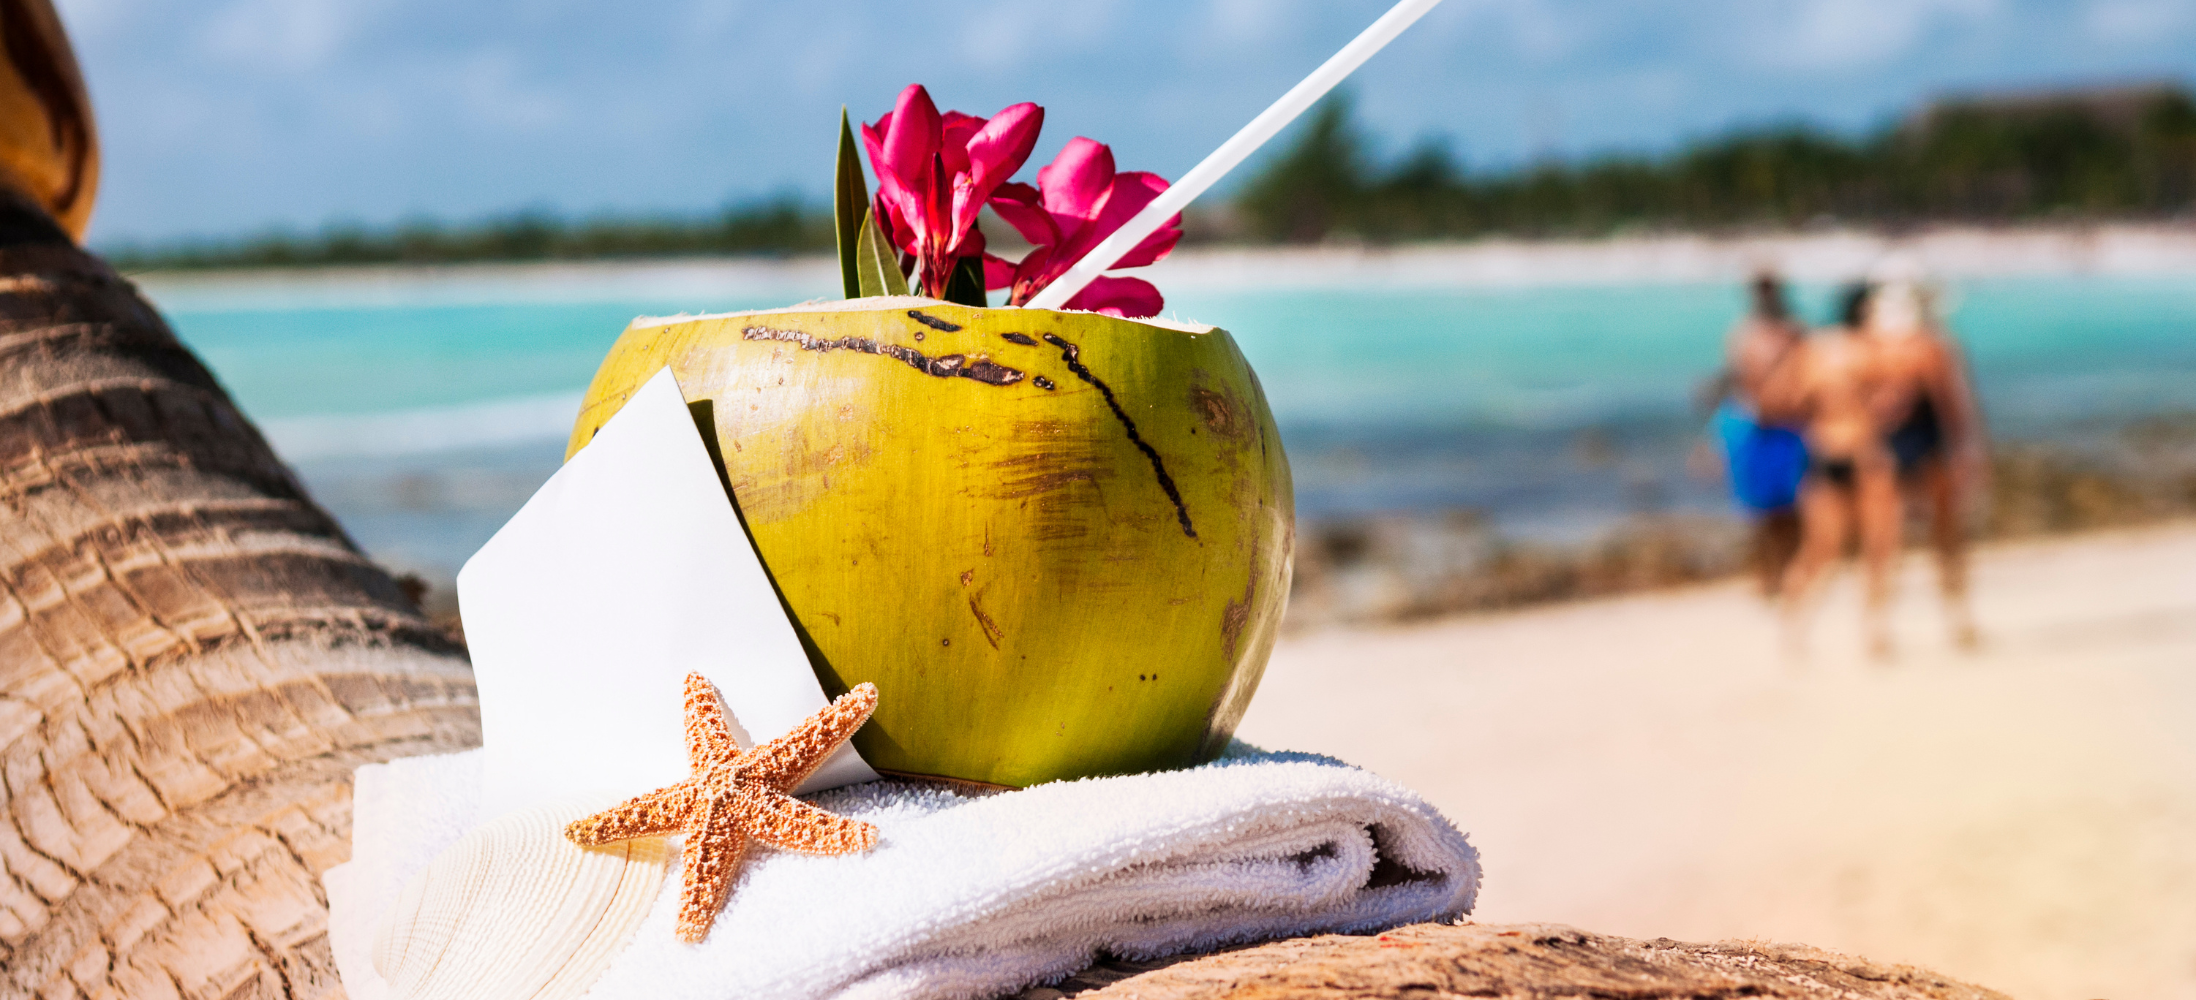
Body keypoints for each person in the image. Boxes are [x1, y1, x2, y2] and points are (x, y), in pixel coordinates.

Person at [1761, 282, 1902, 660]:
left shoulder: (1813, 350)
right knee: (1878, 548)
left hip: (1822, 449)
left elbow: (1776, 401)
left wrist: (1820, 409)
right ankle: (1875, 633)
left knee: (1819, 550)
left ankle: (1793, 632)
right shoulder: (1872, 350)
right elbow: (1896, 403)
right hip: (1864, 452)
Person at [1866, 276, 1986, 649]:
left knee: (1884, 541)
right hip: (1927, 443)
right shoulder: (1933, 348)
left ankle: (1877, 628)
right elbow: (1952, 409)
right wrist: (1969, 452)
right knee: (1945, 536)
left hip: (1884, 448)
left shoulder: (1872, 347)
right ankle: (1958, 619)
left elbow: (1860, 409)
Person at [1704, 272, 1810, 596]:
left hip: (1790, 425)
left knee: (1794, 508)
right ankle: (1767, 575)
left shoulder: (1795, 331)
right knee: (1759, 512)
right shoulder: (1743, 335)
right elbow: (1732, 380)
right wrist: (1711, 434)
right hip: (1754, 426)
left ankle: (1792, 572)